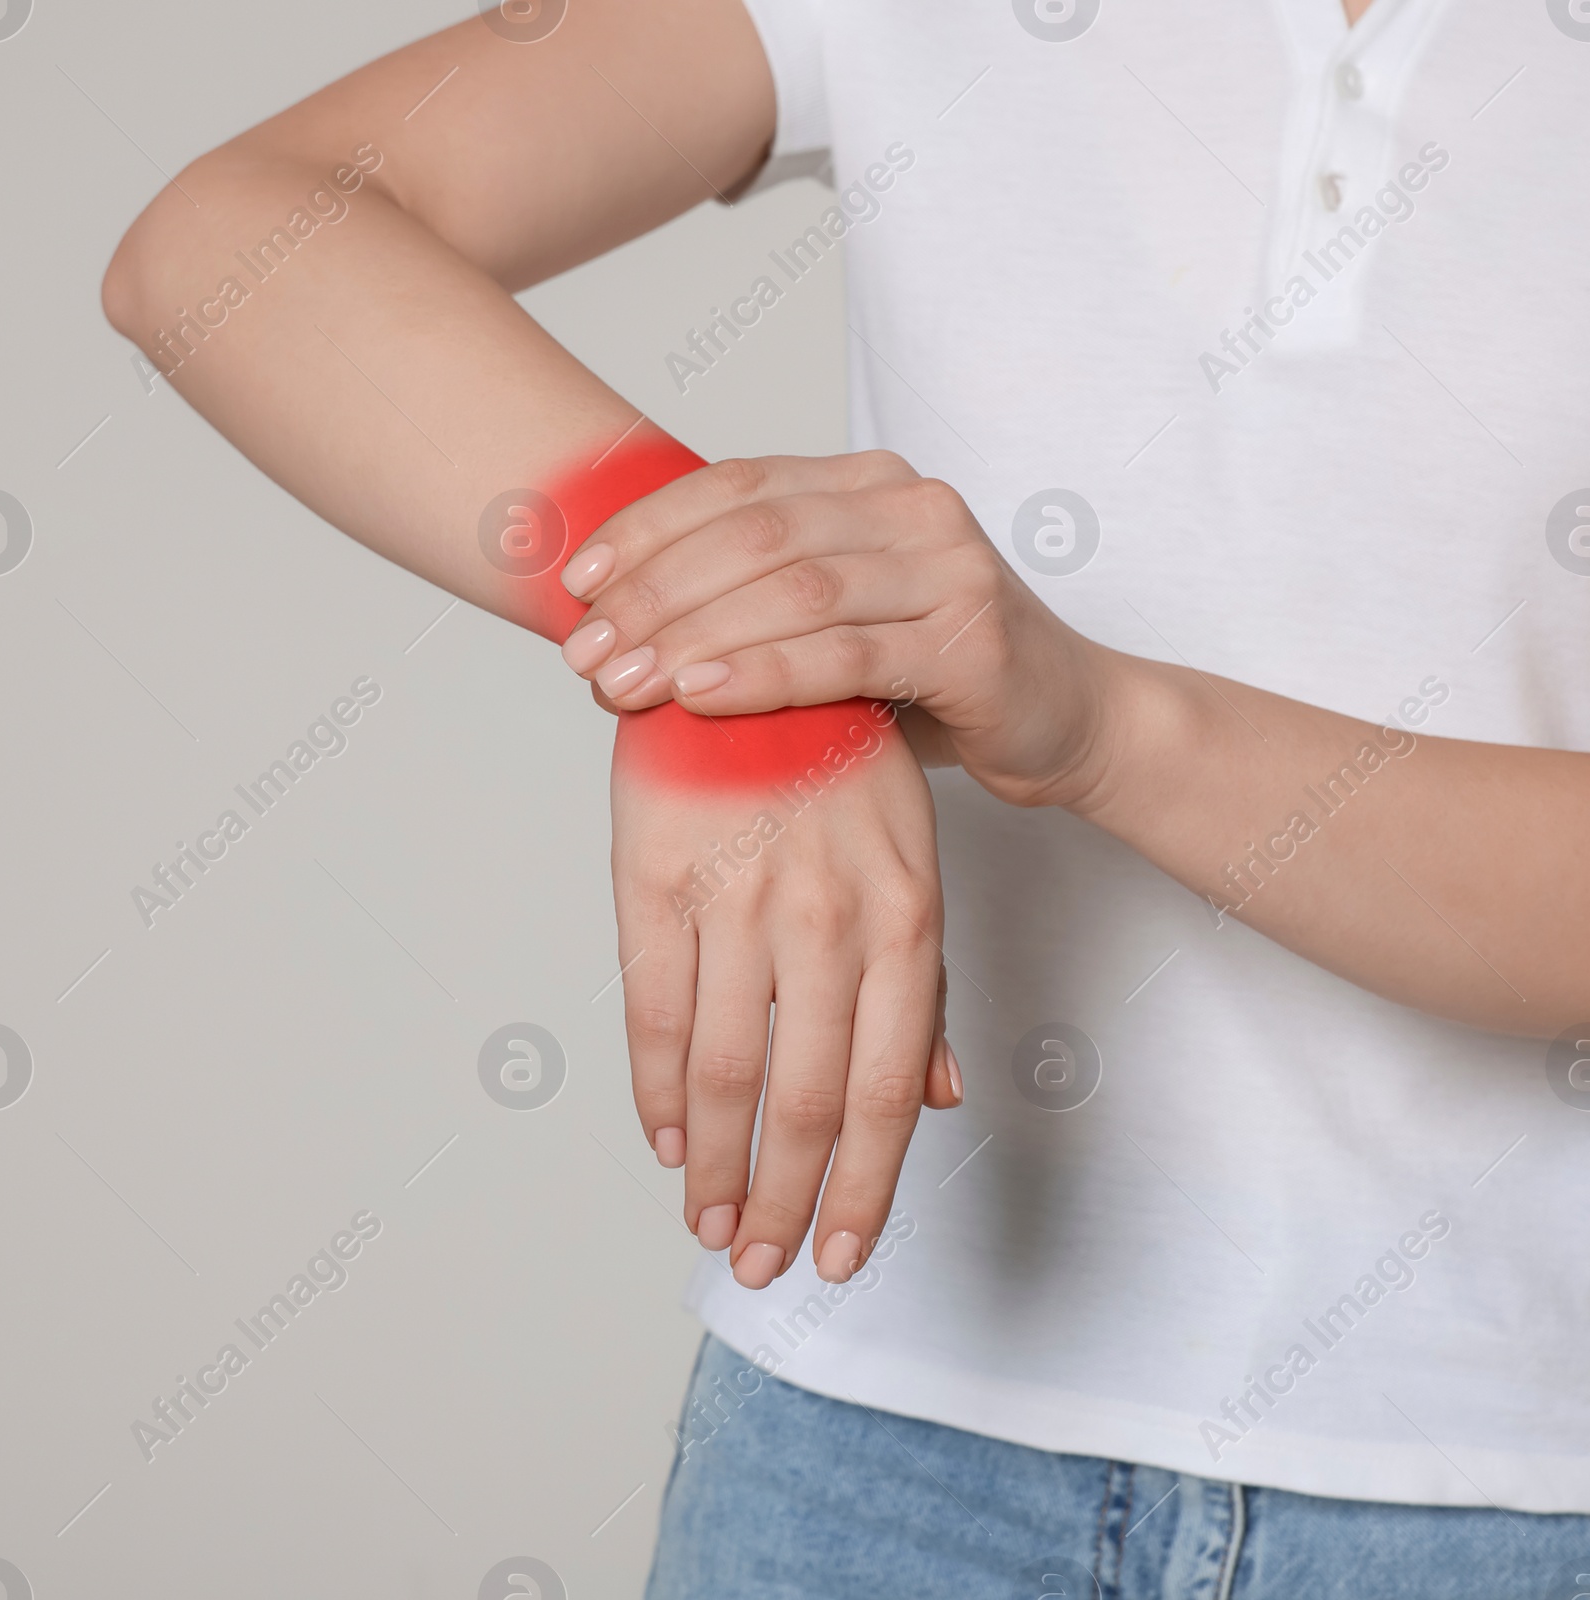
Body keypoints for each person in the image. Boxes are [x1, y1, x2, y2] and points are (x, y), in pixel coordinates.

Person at [102, 0, 1590, 1594]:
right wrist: (747, 653)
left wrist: (1094, 723)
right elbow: (227, 241)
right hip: (857, 1446)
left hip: (1515, 1480)